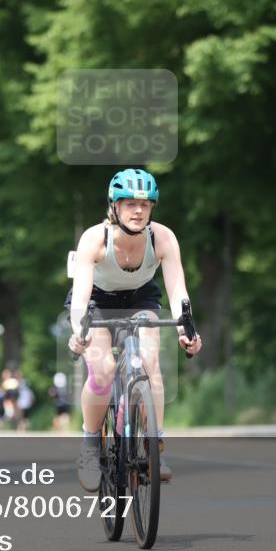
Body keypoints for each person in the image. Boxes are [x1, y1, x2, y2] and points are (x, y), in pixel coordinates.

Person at [67, 168, 202, 492]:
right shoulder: (94, 239)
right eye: (129, 203)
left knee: (150, 361)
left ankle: (155, 449)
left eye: (145, 204)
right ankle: (89, 447)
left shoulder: (163, 238)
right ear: (114, 206)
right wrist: (79, 332)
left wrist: (187, 328)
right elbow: (80, 296)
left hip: (141, 297)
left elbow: (178, 290)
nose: (138, 210)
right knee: (103, 370)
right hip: (97, 301)